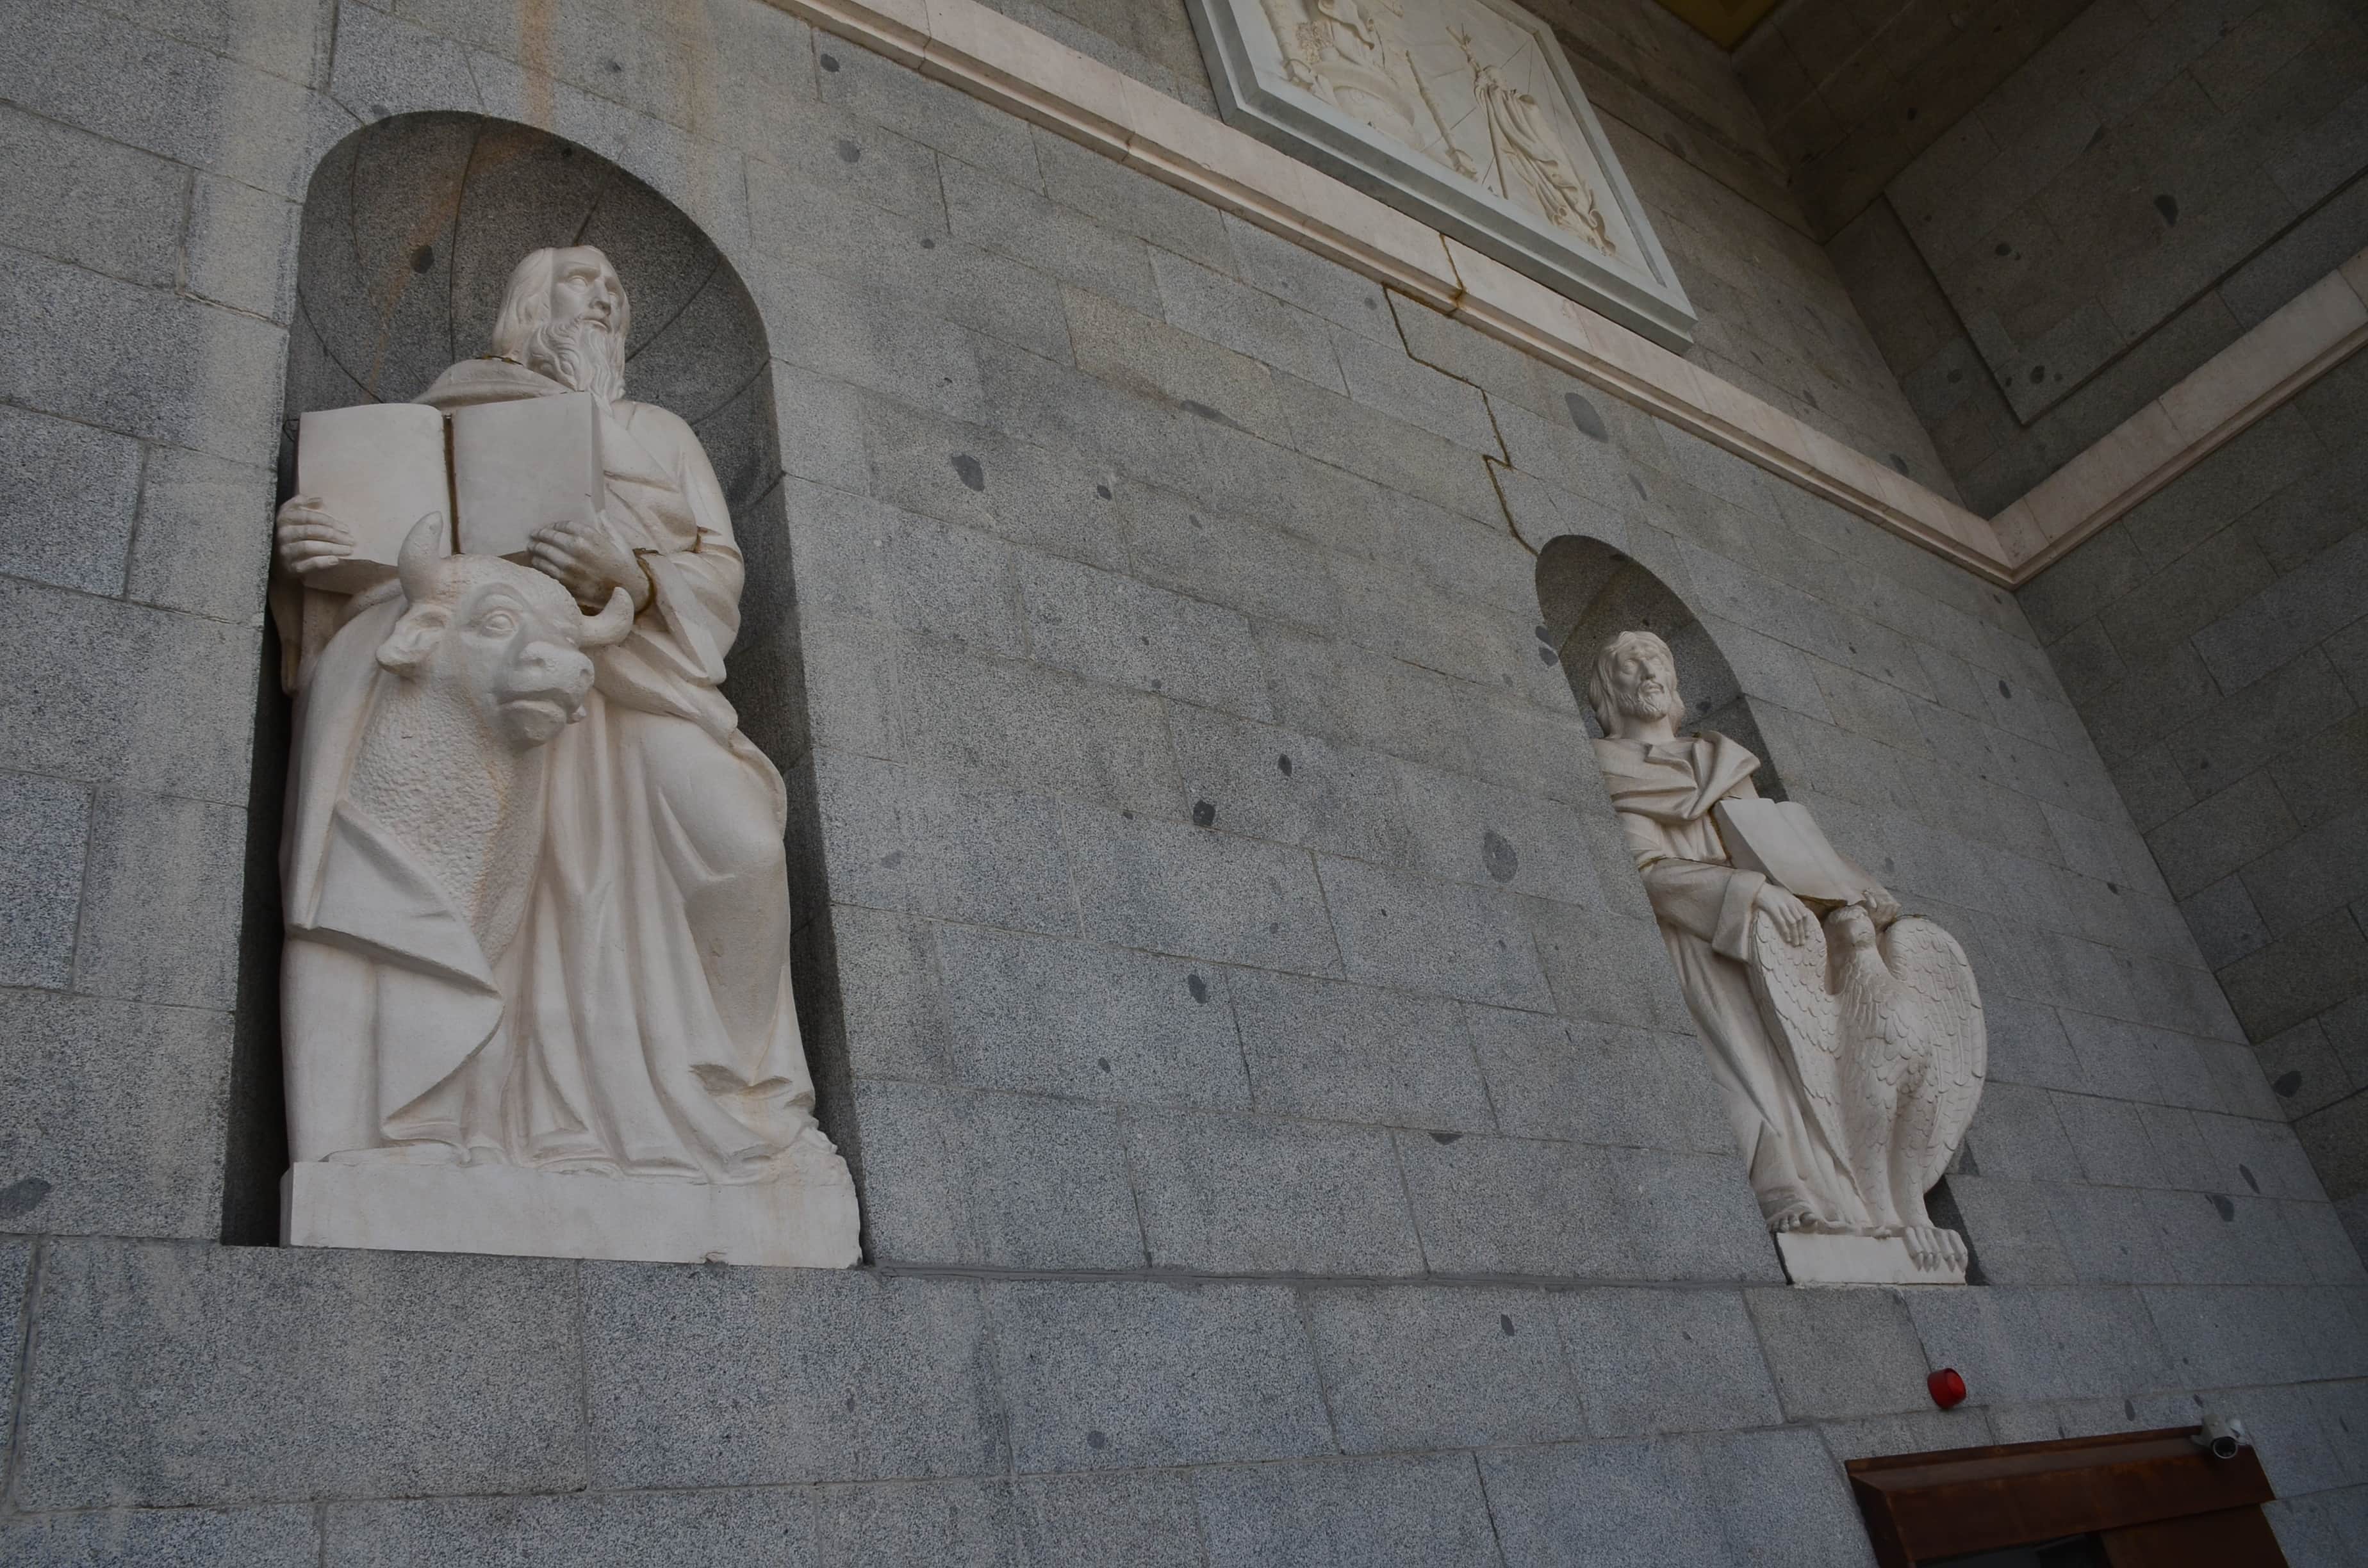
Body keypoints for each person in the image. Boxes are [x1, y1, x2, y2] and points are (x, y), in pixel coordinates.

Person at [274, 245, 834, 1188]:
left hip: (639, 673)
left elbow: (721, 572)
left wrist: (637, 575)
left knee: (743, 848)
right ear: (529, 302)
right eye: (583, 283)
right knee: (529, 898)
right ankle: (500, 1124)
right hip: (498, 695)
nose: (606, 300)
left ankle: (732, 1104)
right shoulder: (455, 406)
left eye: (618, 288)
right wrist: (324, 559)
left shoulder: (661, 432)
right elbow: (415, 559)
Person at [1586, 629, 1894, 1233]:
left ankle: (1846, 1202)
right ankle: (1781, 1193)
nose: (1649, 670)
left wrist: (1849, 887)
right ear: (1607, 688)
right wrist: (1746, 891)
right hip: (1694, 940)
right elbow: (1644, 869)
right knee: (1741, 1060)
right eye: (1630, 663)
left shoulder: (1721, 759)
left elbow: (1773, 845)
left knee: (1796, 1067)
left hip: (1773, 946)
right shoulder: (1606, 767)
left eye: (1658, 659)